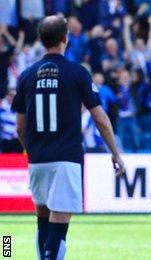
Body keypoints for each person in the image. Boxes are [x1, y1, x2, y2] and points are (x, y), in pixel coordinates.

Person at [11, 15, 125, 260]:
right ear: (65, 38)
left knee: (43, 220)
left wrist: (30, 150)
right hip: (66, 157)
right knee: (59, 221)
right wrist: (116, 154)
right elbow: (101, 119)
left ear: (41, 40)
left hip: (38, 157)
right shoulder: (77, 73)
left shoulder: (27, 76)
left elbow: (20, 126)